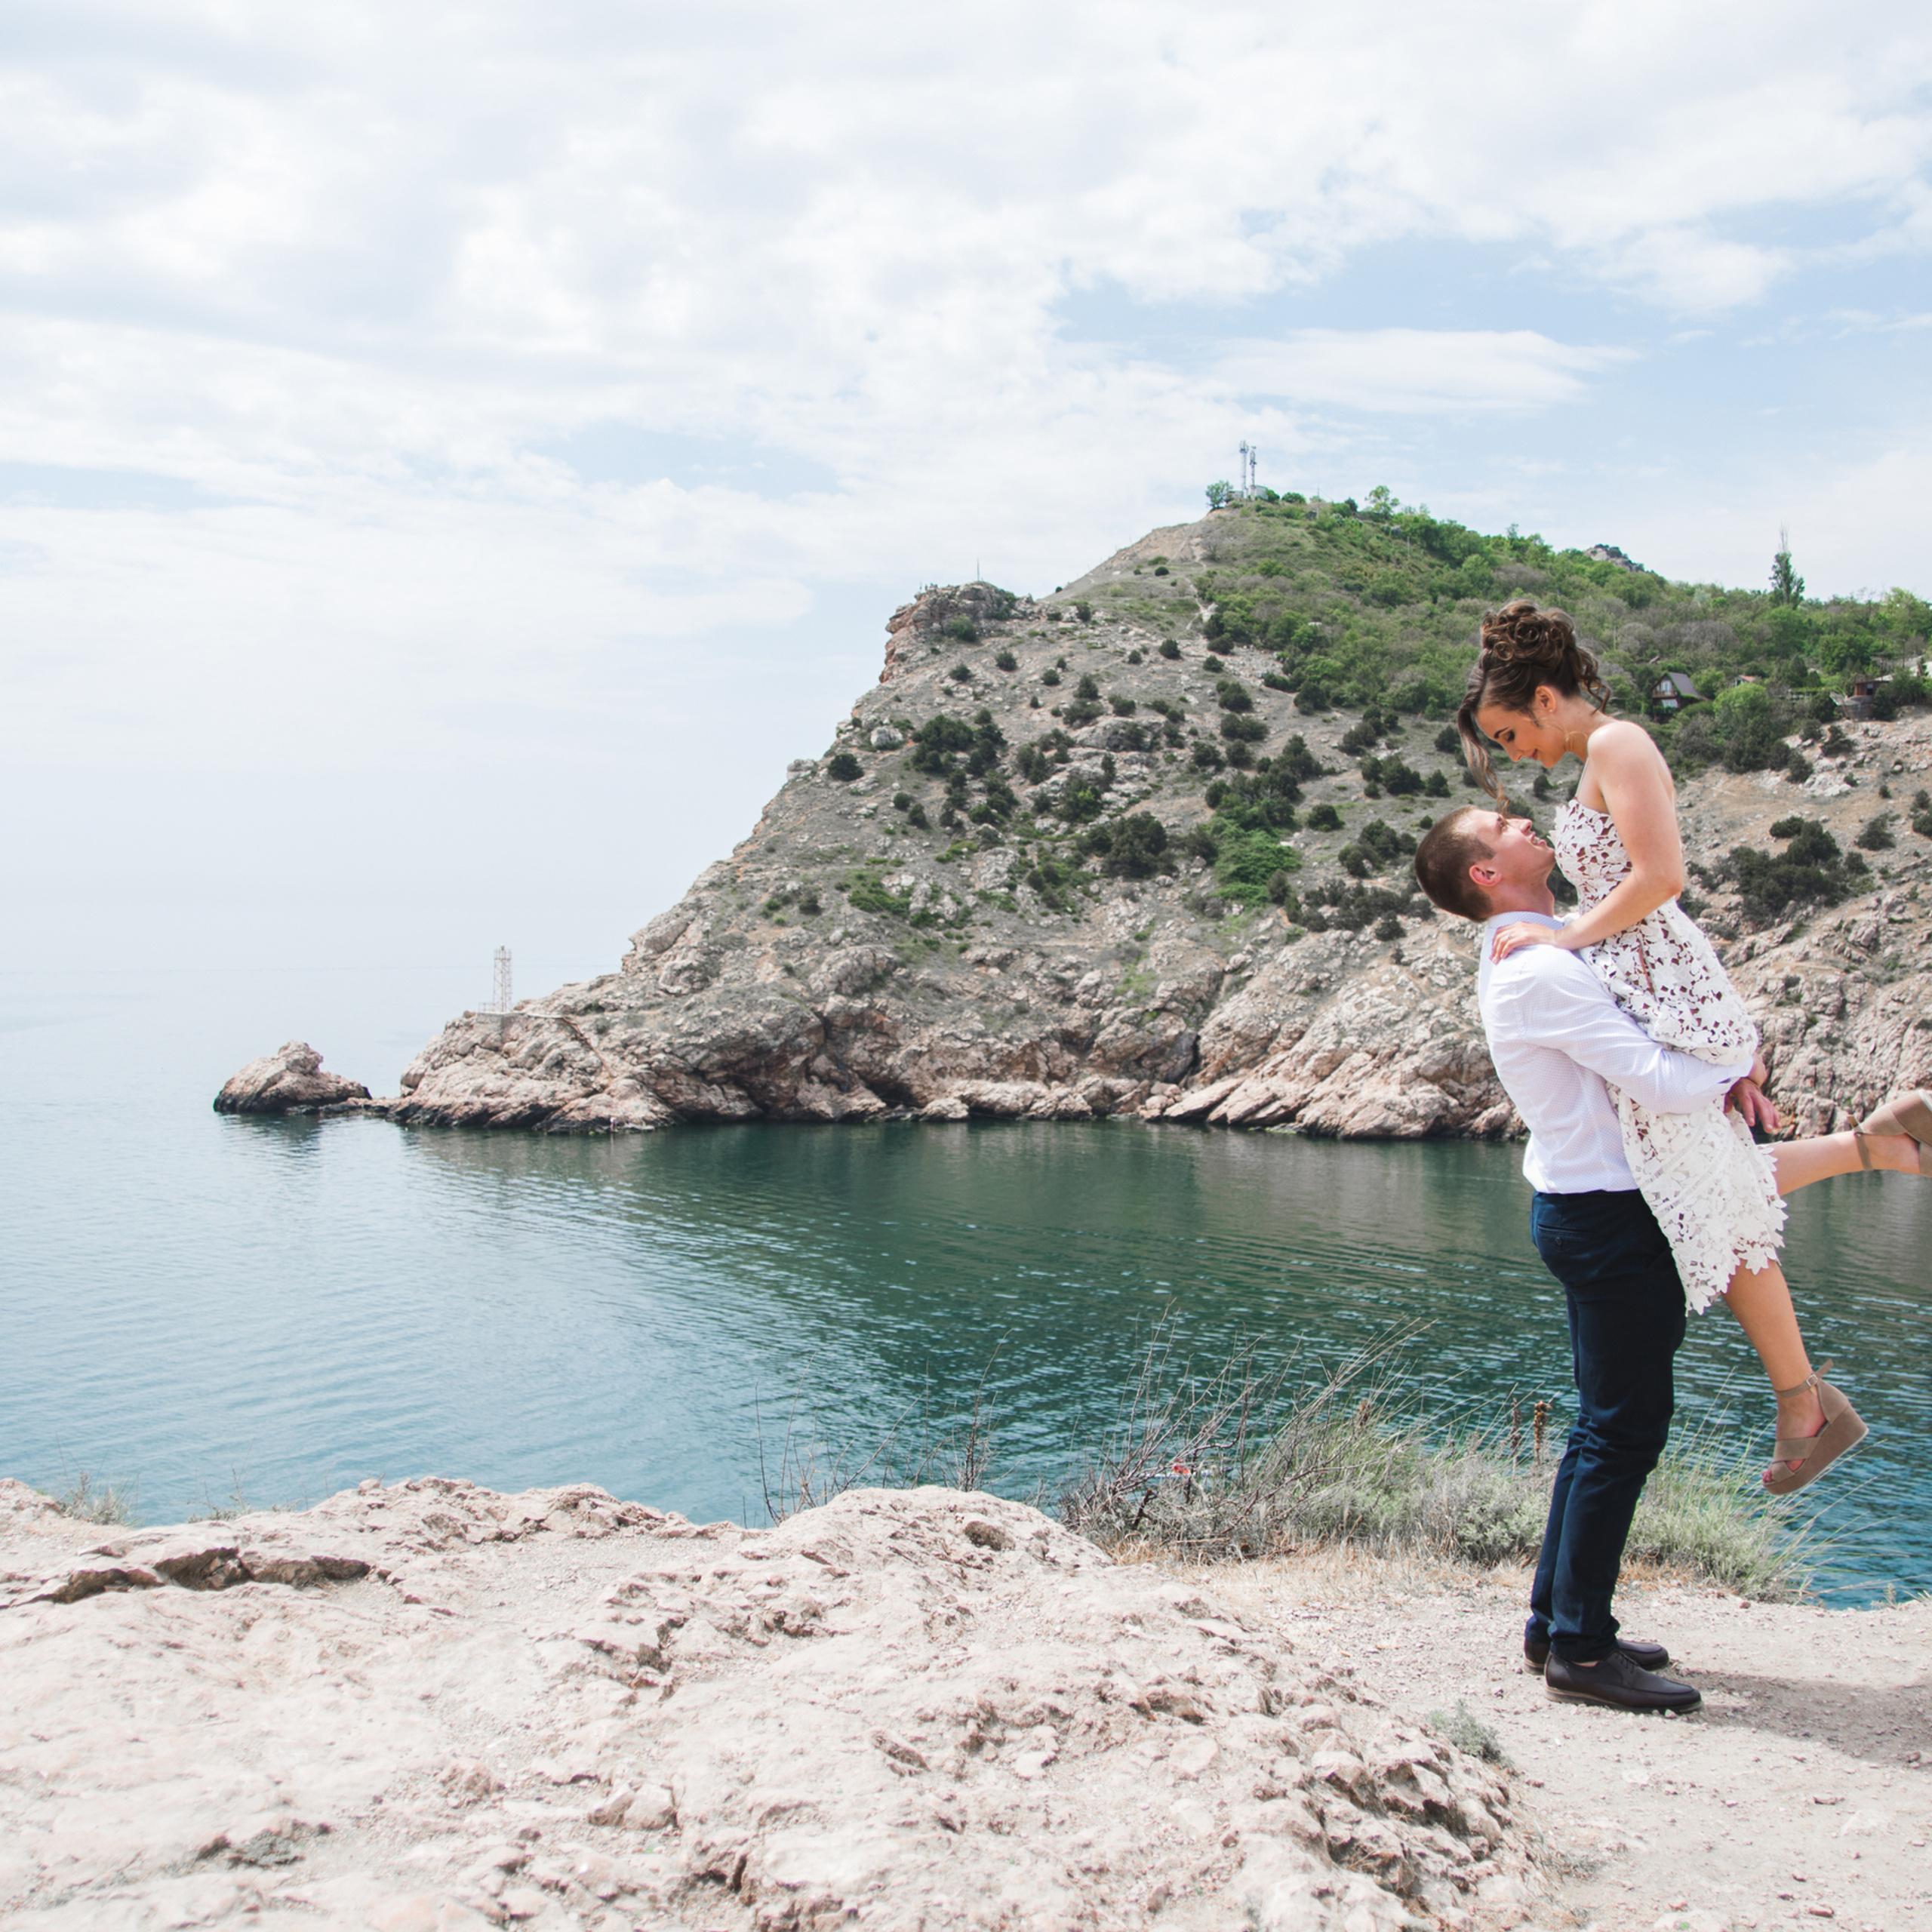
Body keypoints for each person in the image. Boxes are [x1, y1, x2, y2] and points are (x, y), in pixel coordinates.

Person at [1411, 803, 1929, 1712]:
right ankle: (1577, 1650)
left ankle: (1560, 1624)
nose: (1527, 819)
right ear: (1485, 873)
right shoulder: (1535, 969)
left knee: (1599, 1429)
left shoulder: (1545, 948)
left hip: (1607, 1209)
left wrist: (1721, 1074)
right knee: (1622, 1430)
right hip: (1610, 1223)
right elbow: (1653, 1077)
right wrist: (1730, 1069)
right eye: (1503, 822)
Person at [1456, 602, 1929, 1494]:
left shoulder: (1618, 744)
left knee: (1701, 1191)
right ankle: (1878, 1155)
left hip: (1662, 984)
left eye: (1510, 732)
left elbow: (1662, 878)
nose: (1512, 755)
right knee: (1700, 1180)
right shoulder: (1598, 755)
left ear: (1549, 698)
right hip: (1650, 987)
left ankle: (1804, 1397)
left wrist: (1564, 941)